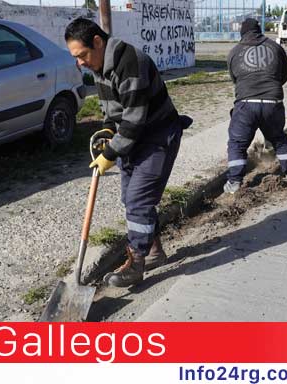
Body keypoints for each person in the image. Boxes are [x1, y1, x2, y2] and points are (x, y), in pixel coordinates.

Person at [64, 18, 191, 287]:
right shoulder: (100, 68)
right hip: (134, 140)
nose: (80, 63)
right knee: (129, 198)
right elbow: (113, 113)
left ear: (97, 42)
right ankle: (154, 251)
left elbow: (134, 119)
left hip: (157, 137)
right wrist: (108, 132)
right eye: (75, 58)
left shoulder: (130, 62)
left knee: (138, 199)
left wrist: (110, 154)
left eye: (82, 55)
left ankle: (136, 262)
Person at [224, 19, 287, 194]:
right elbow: (284, 74)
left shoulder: (235, 51)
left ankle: (235, 182)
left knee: (237, 144)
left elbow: (234, 78)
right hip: (273, 102)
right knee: (279, 138)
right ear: (259, 30)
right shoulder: (275, 47)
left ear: (242, 32)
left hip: (246, 104)